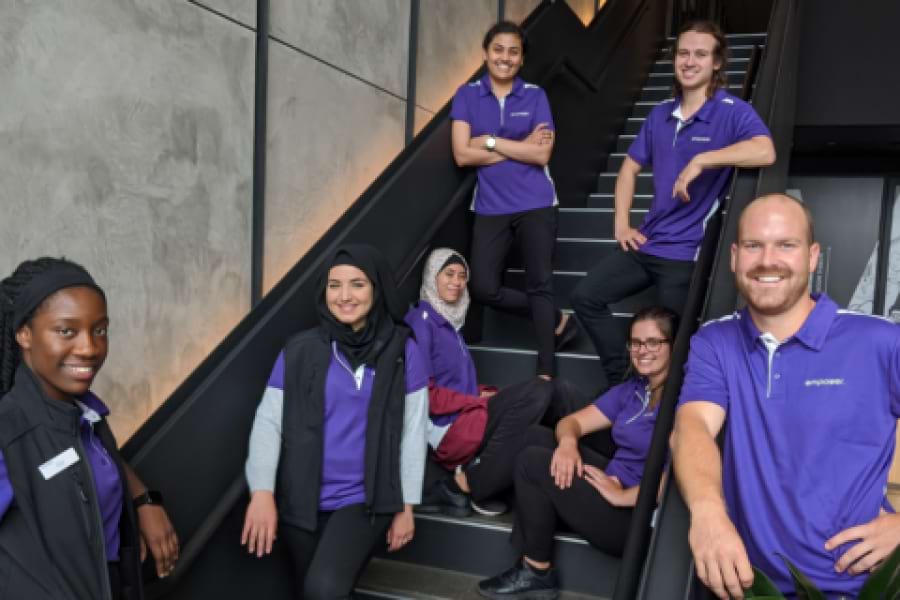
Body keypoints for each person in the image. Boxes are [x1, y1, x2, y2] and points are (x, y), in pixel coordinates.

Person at [672, 194, 900, 599]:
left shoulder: (880, 341)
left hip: (860, 587)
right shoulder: (715, 341)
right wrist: (707, 513)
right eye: (754, 245)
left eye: (786, 245)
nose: (767, 260)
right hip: (749, 586)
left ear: (813, 257)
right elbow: (692, 427)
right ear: (734, 256)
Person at [570, 20, 775, 388]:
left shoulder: (731, 110)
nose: (689, 61)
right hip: (647, 241)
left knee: (676, 346)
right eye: (683, 53)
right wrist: (621, 223)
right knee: (585, 296)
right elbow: (629, 169)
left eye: (700, 53)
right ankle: (625, 382)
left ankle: (665, 408)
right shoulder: (659, 114)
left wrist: (703, 160)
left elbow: (765, 150)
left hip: (685, 254)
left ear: (716, 63)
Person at [240, 244, 429, 599]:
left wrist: (406, 507)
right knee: (310, 591)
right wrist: (261, 493)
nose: (344, 296)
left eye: (357, 284)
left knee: (324, 589)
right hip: (302, 499)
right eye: (334, 285)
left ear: (376, 288)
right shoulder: (299, 350)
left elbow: (413, 432)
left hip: (364, 498)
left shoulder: (404, 351)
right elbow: (268, 422)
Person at [0, 257, 180, 600]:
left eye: (99, 330)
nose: (89, 348)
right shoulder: (9, 432)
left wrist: (143, 500)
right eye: (66, 331)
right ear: (24, 334)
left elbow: (79, 458)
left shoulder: (85, 414)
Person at [478, 306, 679, 599]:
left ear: (674, 346)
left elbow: (680, 474)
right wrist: (568, 444)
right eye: (635, 343)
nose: (642, 350)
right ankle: (540, 509)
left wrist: (625, 495)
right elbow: (570, 422)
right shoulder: (634, 389)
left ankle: (537, 570)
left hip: (632, 519)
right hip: (607, 484)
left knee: (532, 462)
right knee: (534, 435)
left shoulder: (683, 398)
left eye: (653, 342)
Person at [451, 20, 576, 380]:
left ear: (521, 59)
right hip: (490, 206)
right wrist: (520, 147)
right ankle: (554, 319)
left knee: (540, 285)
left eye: (514, 51)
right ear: (487, 53)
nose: (505, 57)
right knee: (483, 287)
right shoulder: (467, 95)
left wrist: (488, 141)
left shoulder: (535, 95)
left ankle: (546, 369)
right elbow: (461, 154)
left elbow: (541, 156)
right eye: (498, 49)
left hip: (537, 202)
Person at [405, 248, 553, 517]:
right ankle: (472, 482)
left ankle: (488, 474)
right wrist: (475, 400)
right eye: (448, 274)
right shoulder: (421, 322)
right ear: (431, 277)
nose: (457, 282)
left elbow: (455, 382)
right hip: (448, 428)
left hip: (466, 414)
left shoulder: (449, 322)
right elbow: (425, 395)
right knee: (538, 390)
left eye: (462, 276)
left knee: (551, 399)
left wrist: (481, 393)